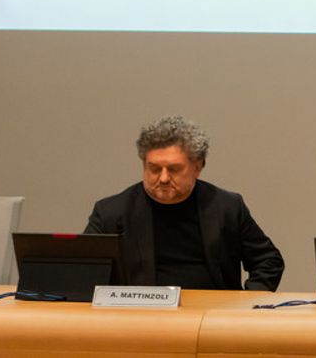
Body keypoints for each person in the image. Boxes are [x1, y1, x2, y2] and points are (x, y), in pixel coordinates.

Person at [84, 115, 283, 290]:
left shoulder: (227, 206)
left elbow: (268, 261)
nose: (163, 178)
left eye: (174, 169)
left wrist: (246, 306)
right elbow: (85, 270)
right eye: (154, 168)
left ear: (198, 167)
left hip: (212, 319)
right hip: (141, 320)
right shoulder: (111, 212)